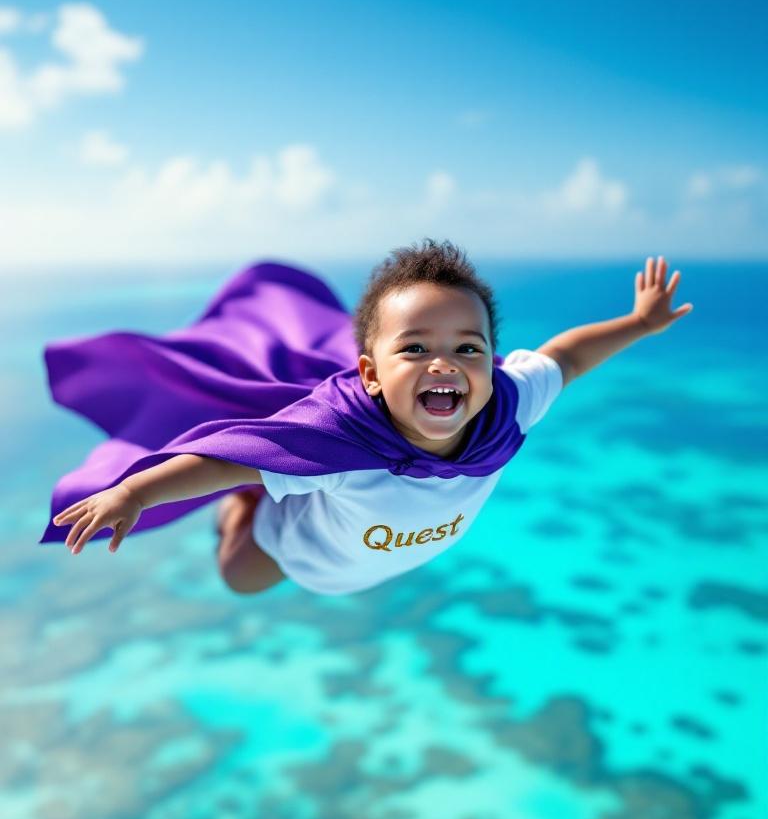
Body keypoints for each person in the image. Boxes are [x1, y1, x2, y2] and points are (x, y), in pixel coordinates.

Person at [47, 241, 692, 596]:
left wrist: (637, 324)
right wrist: (135, 490)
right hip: (295, 547)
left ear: (491, 360)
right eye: (414, 348)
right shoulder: (337, 439)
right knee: (238, 578)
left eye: (467, 348)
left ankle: (267, 478)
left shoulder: (508, 404)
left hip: (369, 561)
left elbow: (566, 357)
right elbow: (220, 460)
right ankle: (252, 502)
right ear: (371, 374)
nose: (445, 364)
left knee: (267, 472)